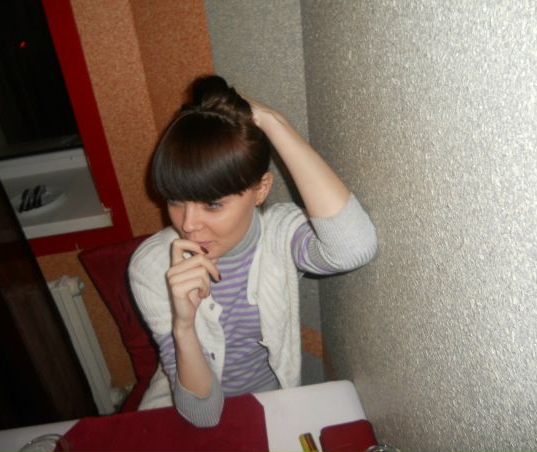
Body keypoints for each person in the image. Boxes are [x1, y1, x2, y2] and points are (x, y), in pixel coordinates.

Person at [128, 75, 377, 427]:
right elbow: (203, 416)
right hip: (183, 406)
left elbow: (354, 248)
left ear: (261, 190)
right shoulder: (151, 266)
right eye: (175, 200)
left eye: (213, 204)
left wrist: (273, 121)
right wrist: (183, 325)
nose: (189, 225)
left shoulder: (279, 234)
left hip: (273, 405)